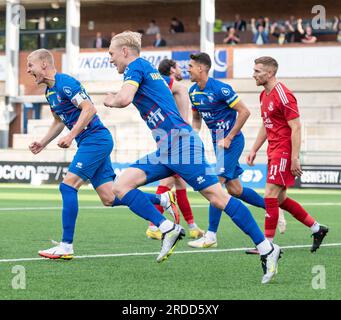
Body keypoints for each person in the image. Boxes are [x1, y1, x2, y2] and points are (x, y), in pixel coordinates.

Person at [104, 31, 282, 283]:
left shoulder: (136, 66)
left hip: (180, 144)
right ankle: (167, 228)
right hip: (167, 147)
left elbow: (123, 99)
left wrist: (110, 99)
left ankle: (267, 248)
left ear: (124, 52)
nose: (110, 58)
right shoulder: (144, 69)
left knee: (219, 197)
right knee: (119, 187)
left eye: (111, 53)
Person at [27, 49, 178, 260]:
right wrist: (43, 143)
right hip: (91, 142)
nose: (28, 70)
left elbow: (89, 109)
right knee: (109, 197)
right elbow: (59, 120)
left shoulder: (66, 83)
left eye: (30, 65)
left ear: (44, 64)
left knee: (67, 186)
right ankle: (162, 201)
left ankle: (66, 245)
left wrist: (71, 136)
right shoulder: (50, 92)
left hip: (95, 140)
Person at [185, 52, 285, 251]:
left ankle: (211, 235)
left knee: (214, 184)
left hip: (231, 141)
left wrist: (229, 137)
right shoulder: (193, 92)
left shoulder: (221, 89)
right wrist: (193, 134)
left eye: (190, 66)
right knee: (235, 190)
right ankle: (273, 208)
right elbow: (197, 119)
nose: (187, 69)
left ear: (201, 69)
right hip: (217, 142)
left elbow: (245, 111)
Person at [249, 56, 328, 252]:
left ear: (270, 73)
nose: (254, 75)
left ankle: (266, 245)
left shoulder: (284, 95)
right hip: (272, 150)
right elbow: (266, 125)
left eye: (258, 71)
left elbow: (296, 127)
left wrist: (294, 157)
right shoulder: (263, 95)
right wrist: (254, 148)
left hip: (283, 151)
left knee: (269, 195)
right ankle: (317, 229)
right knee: (281, 199)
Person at [145, 58, 204, 241]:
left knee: (180, 185)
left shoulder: (168, 86)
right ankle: (153, 225)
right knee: (167, 182)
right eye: (178, 66)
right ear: (171, 69)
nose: (182, 69)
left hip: (172, 136)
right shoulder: (168, 84)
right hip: (175, 138)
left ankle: (193, 227)